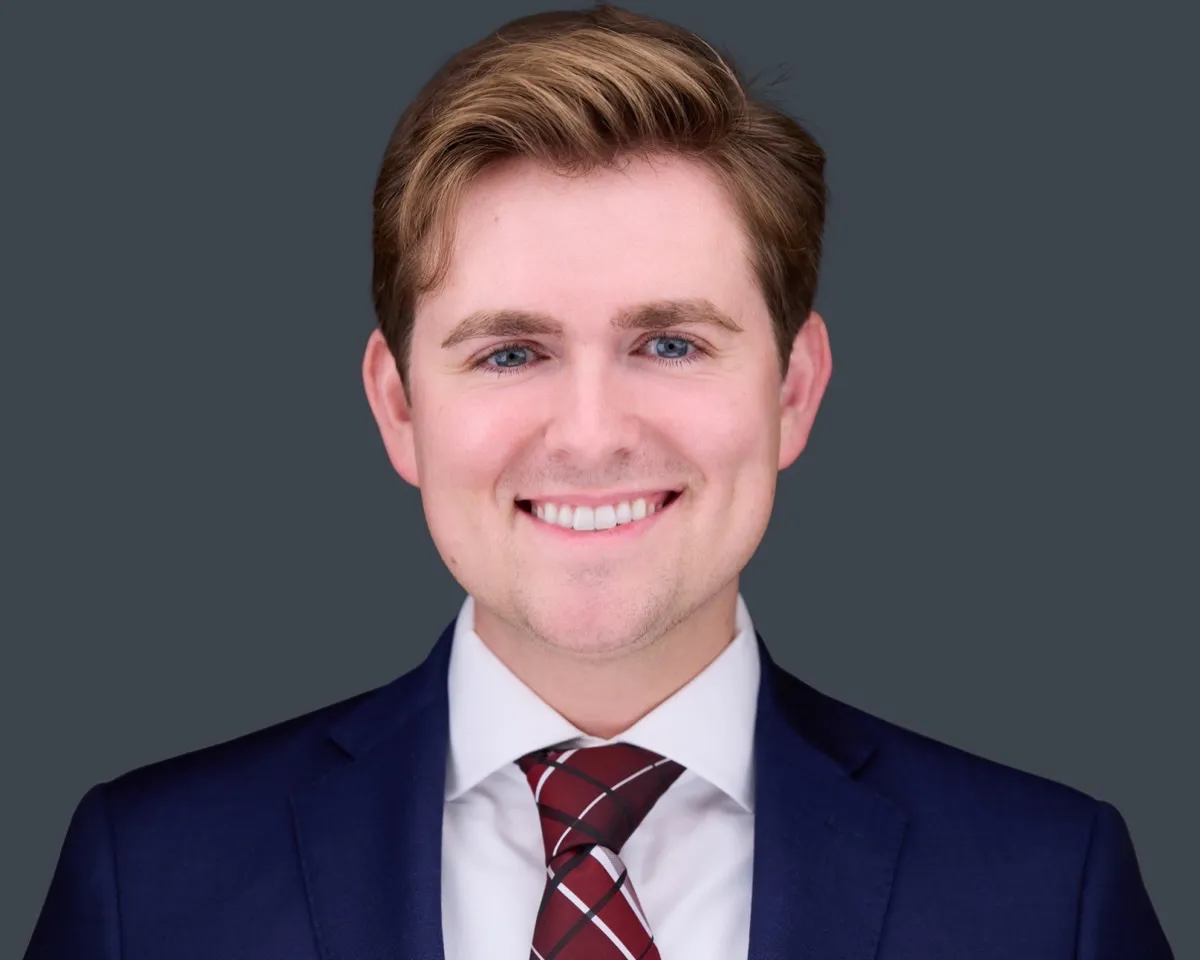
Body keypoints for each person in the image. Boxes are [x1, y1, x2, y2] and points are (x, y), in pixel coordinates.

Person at [24, 4, 1174, 959]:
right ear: (399, 406)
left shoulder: (1046, 894)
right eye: (510, 352)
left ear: (792, 390)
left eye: (670, 343)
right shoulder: (151, 884)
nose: (589, 434)